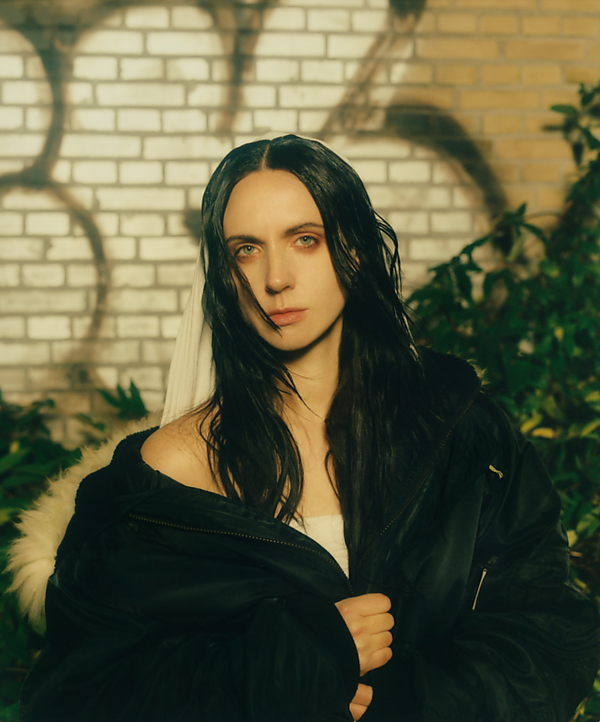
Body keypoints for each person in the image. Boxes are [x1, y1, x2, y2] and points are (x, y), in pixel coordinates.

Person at [8, 134, 600, 722]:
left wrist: (399, 700)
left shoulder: (460, 430)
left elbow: (548, 634)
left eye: (305, 240)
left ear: (355, 250)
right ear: (224, 274)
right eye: (246, 250)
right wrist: (292, 668)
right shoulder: (162, 477)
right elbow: (80, 697)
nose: (276, 278)